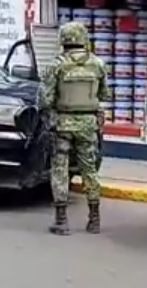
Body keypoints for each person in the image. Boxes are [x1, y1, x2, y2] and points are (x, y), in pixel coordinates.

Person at [41, 22, 108, 236]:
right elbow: (104, 95)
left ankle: (62, 221)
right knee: (90, 169)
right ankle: (94, 220)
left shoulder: (57, 65)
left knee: (60, 168)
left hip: (63, 124)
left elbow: (45, 98)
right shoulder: (97, 64)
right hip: (88, 124)